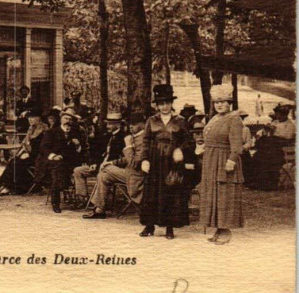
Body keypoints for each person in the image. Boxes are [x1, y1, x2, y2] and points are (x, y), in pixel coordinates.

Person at [139, 84, 192, 240]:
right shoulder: (151, 120)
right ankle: (149, 226)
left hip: (172, 161)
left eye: (167, 103)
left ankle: (170, 227)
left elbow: (188, 141)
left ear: (171, 103)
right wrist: (144, 159)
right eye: (161, 103)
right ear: (157, 105)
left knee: (171, 192)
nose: (164, 106)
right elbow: (146, 141)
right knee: (152, 193)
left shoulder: (180, 120)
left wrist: (180, 150)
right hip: (155, 160)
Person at [197, 84, 244, 244]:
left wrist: (231, 159)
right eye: (217, 102)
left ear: (229, 103)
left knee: (225, 193)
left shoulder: (234, 119)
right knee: (214, 193)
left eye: (223, 101)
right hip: (211, 160)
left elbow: (237, 145)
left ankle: (226, 230)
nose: (219, 105)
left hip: (224, 159)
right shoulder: (215, 118)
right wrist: (202, 146)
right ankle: (218, 228)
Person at [83, 112, 147, 219]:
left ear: (143, 125)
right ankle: (100, 209)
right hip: (130, 173)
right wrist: (112, 162)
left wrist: (128, 146)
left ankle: (96, 206)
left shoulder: (144, 140)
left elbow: (134, 163)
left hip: (138, 176)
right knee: (104, 175)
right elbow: (126, 159)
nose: (131, 126)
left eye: (134, 124)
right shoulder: (135, 137)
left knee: (105, 169)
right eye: (129, 124)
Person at [33, 107, 83, 213]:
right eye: (66, 118)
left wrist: (78, 145)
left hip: (71, 162)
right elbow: (43, 148)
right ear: (61, 119)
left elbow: (83, 151)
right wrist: (54, 155)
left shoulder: (76, 133)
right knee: (57, 169)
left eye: (70, 120)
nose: (68, 121)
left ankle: (79, 197)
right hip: (52, 161)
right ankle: (55, 202)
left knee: (62, 168)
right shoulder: (51, 132)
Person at [72, 112, 126, 204]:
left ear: (118, 124)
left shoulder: (124, 137)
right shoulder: (106, 136)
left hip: (113, 168)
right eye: (107, 123)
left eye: (110, 124)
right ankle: (83, 199)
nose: (108, 126)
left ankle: (98, 203)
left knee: (102, 174)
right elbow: (97, 152)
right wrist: (94, 163)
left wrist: (101, 165)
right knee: (78, 170)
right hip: (99, 165)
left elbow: (121, 158)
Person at [0, 107, 48, 195]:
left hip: (39, 157)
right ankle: (4, 185)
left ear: (39, 118)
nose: (30, 119)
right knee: (13, 161)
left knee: (17, 163)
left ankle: (12, 187)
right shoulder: (31, 129)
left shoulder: (43, 130)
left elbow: (42, 147)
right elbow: (25, 143)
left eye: (33, 117)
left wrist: (29, 154)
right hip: (29, 154)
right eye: (29, 117)